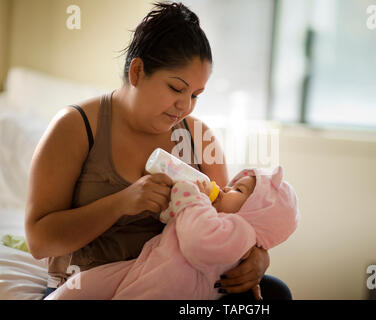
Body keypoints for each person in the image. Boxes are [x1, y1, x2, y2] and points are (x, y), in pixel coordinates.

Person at [24, 2, 291, 300]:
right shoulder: (76, 128)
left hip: (178, 285)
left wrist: (258, 255)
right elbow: (39, 241)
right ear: (137, 72)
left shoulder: (199, 137)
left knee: (275, 293)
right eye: (176, 89)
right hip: (93, 287)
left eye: (196, 95)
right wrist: (122, 203)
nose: (185, 106)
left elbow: (228, 219)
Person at [44, 166, 299, 300]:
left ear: (255, 213)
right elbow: (183, 222)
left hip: (168, 286)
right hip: (145, 264)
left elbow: (199, 241)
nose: (224, 188)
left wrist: (191, 197)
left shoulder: (239, 230)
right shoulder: (224, 220)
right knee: (84, 285)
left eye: (237, 190)